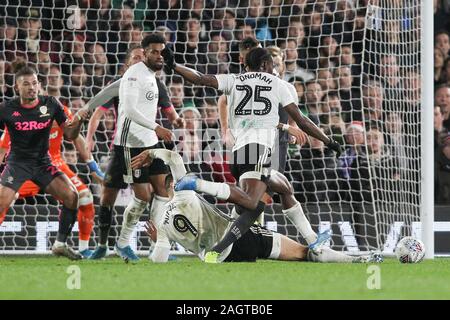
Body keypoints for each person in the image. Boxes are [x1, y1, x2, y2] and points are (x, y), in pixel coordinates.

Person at [162, 46, 342, 263]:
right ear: (266, 65)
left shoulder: (235, 80)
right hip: (258, 150)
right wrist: (328, 140)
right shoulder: (278, 84)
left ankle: (312, 240)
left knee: (282, 187)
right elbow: (303, 120)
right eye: (272, 64)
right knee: (251, 203)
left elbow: (200, 78)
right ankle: (197, 186)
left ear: (246, 65)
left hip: (238, 153)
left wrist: (174, 66)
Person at [131, 149, 381, 264]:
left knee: (246, 205)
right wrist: (152, 154)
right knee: (305, 253)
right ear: (173, 182)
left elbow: (160, 258)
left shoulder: (161, 222)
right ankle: (355, 259)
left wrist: (155, 242)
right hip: (241, 241)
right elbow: (173, 157)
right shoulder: (185, 192)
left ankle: (257, 199)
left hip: (220, 259)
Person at [88, 34, 184, 262]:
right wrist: (89, 134)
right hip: (124, 145)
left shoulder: (156, 82)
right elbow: (102, 110)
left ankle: (154, 245)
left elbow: (170, 111)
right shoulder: (126, 81)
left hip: (147, 142)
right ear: (130, 61)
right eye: (139, 57)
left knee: (158, 192)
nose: (143, 59)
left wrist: (176, 120)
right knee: (109, 195)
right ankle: (104, 245)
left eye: (159, 52)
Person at [0, 66, 88, 260]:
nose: (32, 87)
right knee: (2, 203)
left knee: (72, 196)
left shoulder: (51, 104)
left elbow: (71, 134)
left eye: (34, 83)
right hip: (17, 164)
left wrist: (79, 121)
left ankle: (60, 245)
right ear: (17, 87)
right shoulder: (7, 108)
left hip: (43, 163)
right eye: (26, 84)